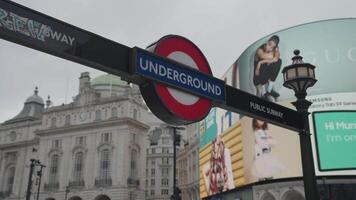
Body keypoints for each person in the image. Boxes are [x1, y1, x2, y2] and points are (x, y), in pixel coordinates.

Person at [253, 35, 282, 100]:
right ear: (268, 42)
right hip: (258, 76)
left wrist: (260, 63)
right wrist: (261, 63)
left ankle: (269, 90)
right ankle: (263, 92)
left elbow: (276, 59)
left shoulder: (274, 49)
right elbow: (272, 58)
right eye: (269, 44)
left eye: (273, 47)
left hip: (266, 73)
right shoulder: (260, 50)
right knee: (266, 63)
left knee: (279, 61)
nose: (270, 48)